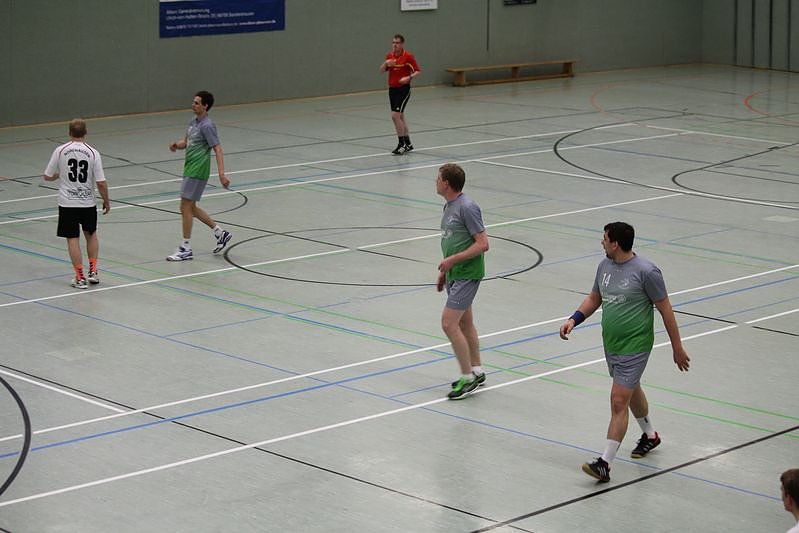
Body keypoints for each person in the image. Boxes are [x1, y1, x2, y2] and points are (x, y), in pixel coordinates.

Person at [559, 221, 690, 482]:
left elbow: (665, 309)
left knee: (619, 400)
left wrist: (677, 347)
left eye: (604, 238)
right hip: (612, 344)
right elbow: (594, 298)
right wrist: (574, 319)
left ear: (615, 243)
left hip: (636, 345)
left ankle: (604, 463)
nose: (602, 242)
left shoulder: (647, 272)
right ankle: (650, 435)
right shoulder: (604, 266)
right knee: (631, 392)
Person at [435, 163, 489, 400]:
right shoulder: (449, 206)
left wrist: (453, 261)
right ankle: (477, 370)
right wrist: (445, 271)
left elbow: (482, 243)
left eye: (437, 178)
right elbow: (452, 241)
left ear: (446, 183)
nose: (435, 182)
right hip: (455, 273)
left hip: (468, 273)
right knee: (465, 322)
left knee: (449, 323)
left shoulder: (467, 207)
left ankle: (467, 378)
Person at [43, 118, 110, 289]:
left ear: (69, 133)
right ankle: (93, 271)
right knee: (91, 234)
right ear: (86, 133)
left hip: (67, 203)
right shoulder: (93, 153)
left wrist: (59, 175)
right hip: (87, 202)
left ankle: (80, 277)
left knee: (72, 238)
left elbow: (47, 176)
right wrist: (106, 201)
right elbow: (101, 182)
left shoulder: (60, 150)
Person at [166, 90, 232, 261]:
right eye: (193, 102)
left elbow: (217, 148)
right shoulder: (193, 122)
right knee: (191, 207)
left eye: (197, 103)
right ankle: (220, 233)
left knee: (184, 207)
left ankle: (185, 248)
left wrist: (222, 174)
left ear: (205, 106)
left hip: (198, 170)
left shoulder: (207, 125)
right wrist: (176, 145)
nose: (193, 105)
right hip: (189, 169)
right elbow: (186, 142)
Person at [379, 33, 421, 155]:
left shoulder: (408, 57)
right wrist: (386, 63)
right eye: (393, 43)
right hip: (392, 89)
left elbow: (418, 71)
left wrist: (408, 77)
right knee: (400, 117)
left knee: (395, 116)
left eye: (397, 43)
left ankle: (401, 144)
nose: (395, 45)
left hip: (403, 90)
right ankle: (408, 143)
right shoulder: (390, 56)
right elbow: (381, 71)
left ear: (402, 44)